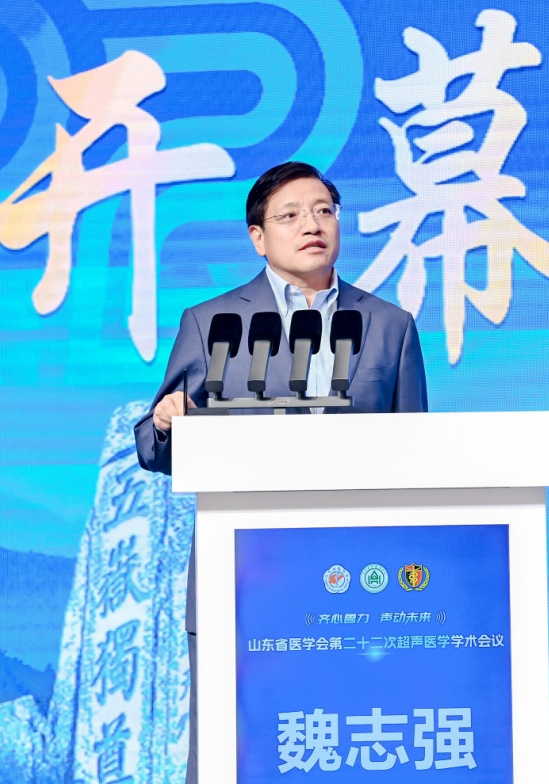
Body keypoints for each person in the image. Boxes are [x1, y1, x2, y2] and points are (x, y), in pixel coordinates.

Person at [133, 160, 428, 782]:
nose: (311, 225)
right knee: (236, 754)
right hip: (244, 578)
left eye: (323, 211)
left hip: (358, 585)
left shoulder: (390, 327)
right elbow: (156, 449)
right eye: (289, 215)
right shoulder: (212, 323)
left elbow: (415, 457)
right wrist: (166, 422)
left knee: (354, 747)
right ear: (258, 237)